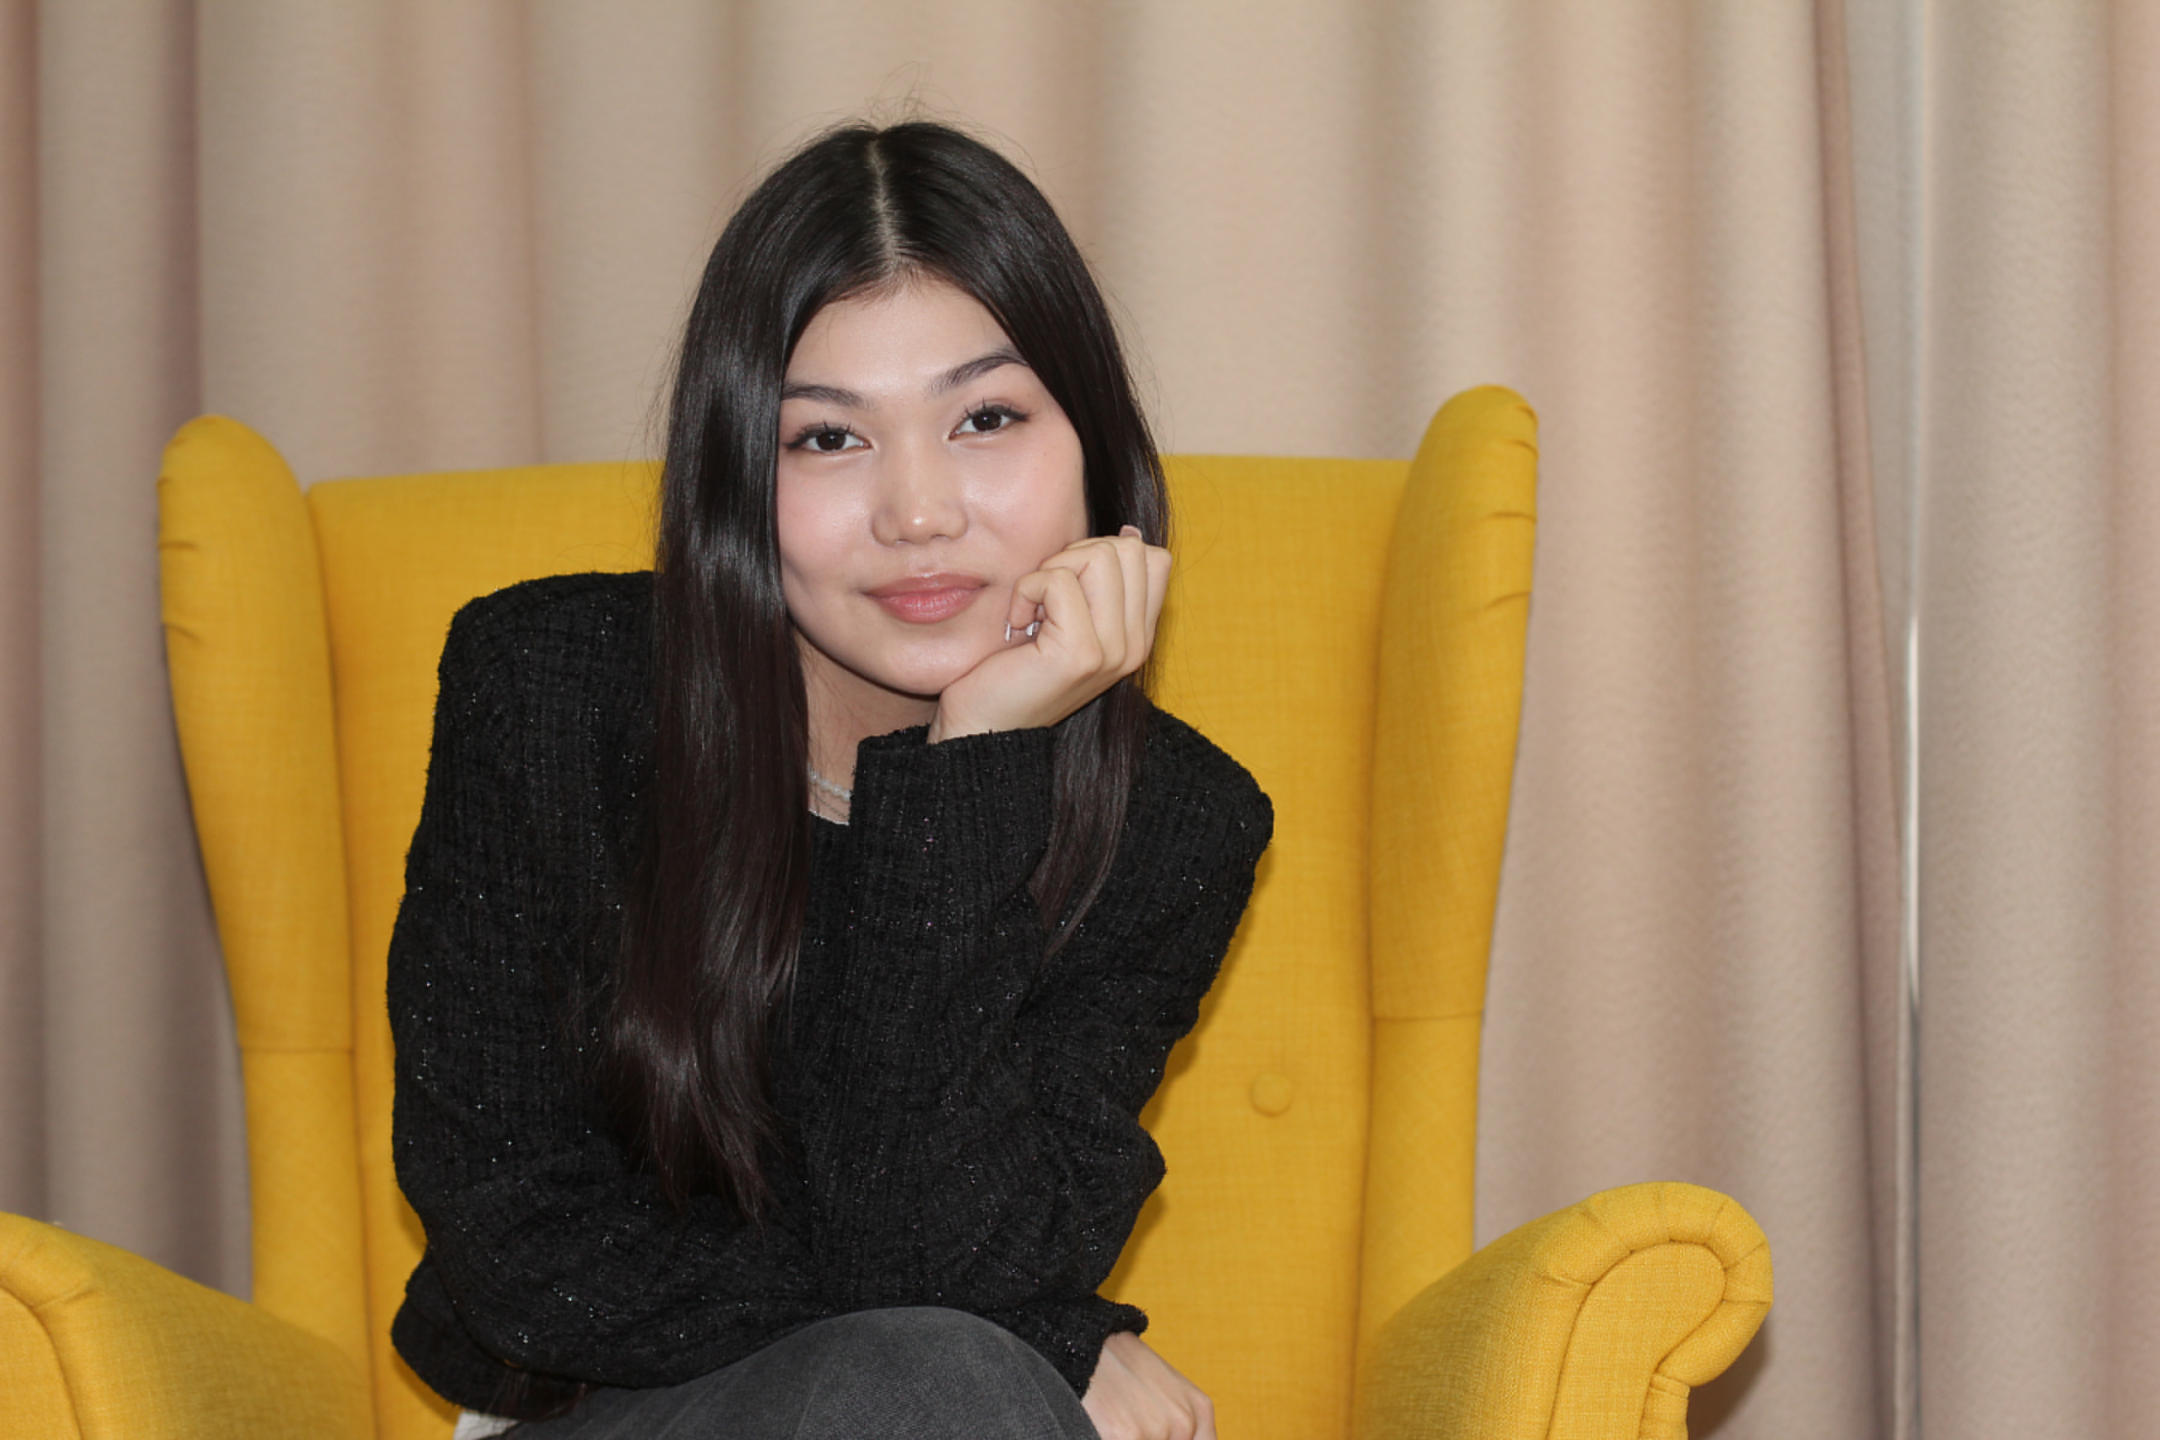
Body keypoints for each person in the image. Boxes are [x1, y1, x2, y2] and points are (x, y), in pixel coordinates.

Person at [385, 119, 1274, 1440]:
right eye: (827, 440)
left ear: (1094, 442)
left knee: (936, 1377)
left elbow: (949, 1253)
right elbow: (519, 1247)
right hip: (596, 1412)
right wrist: (1036, 1334)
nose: (919, 511)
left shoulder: (1175, 826)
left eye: (985, 419)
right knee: (944, 1374)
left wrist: (974, 766)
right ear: (735, 477)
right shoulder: (548, 689)